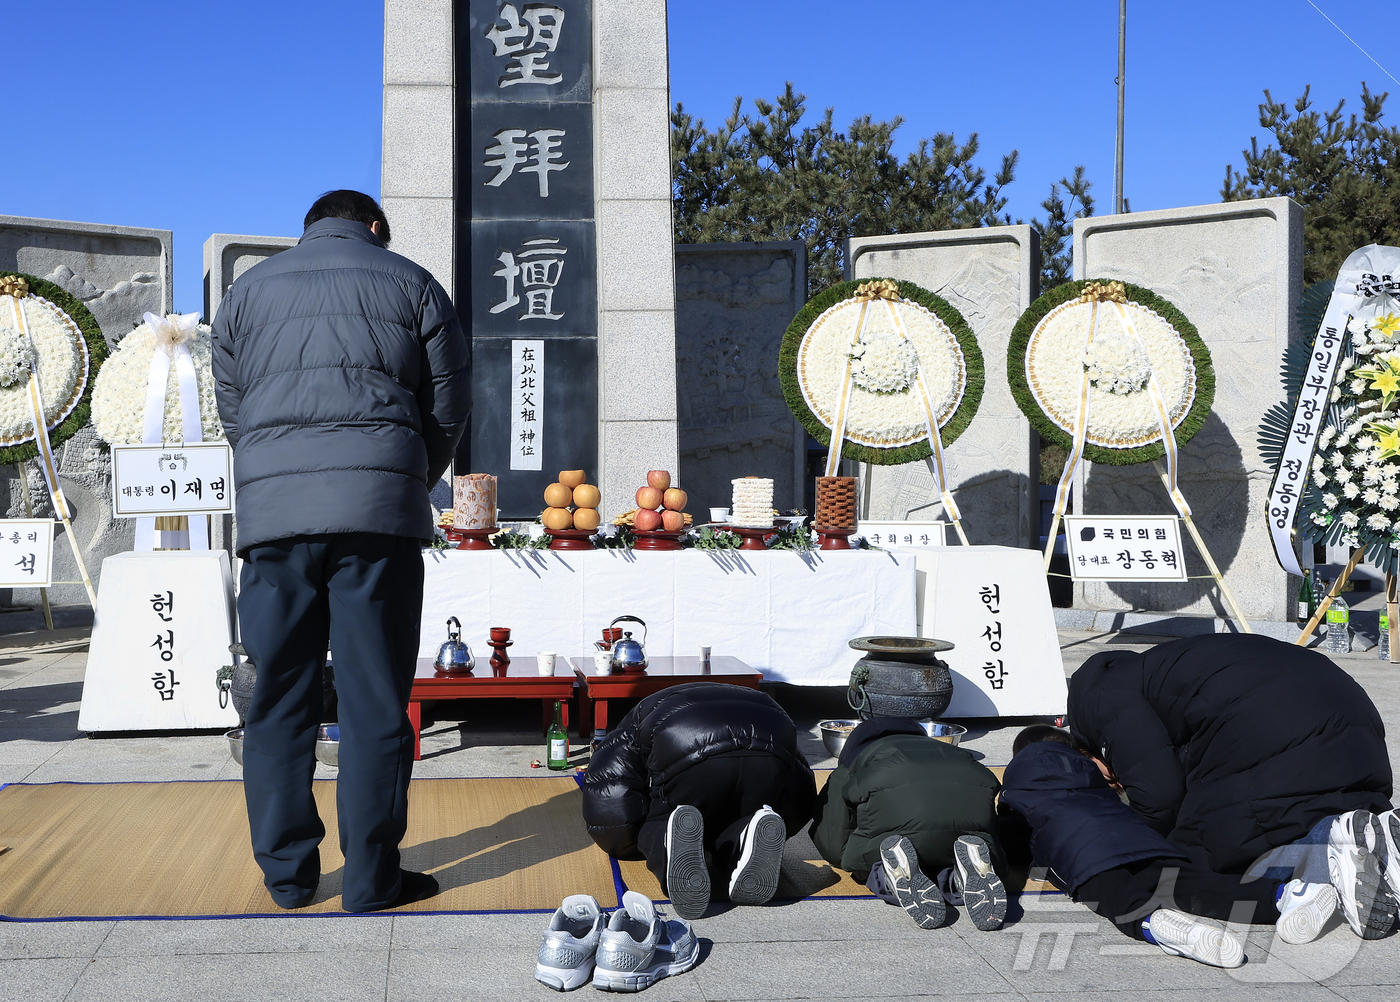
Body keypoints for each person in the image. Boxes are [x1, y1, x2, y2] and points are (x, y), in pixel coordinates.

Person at [212, 190, 471, 912]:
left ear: (310, 230)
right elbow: (448, 406)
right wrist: (405, 479)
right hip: (377, 525)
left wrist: (276, 474)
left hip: (274, 524)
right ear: (374, 228)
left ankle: (289, 880)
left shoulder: (246, 292)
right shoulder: (413, 282)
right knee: (374, 702)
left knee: (275, 701)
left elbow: (235, 408)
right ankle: (371, 881)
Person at [1067, 633, 1398, 938]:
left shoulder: (1098, 700)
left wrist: (1127, 845)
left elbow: (1160, 795)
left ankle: (1326, 856)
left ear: (1082, 751)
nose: (1116, 784)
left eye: (1106, 781)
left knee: (1206, 858)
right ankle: (1368, 836)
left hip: (1266, 721)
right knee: (1289, 812)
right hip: (1353, 719)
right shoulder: (1150, 671)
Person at [1001, 725, 1344, 967]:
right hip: (1138, 840)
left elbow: (1015, 840)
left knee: (1114, 893)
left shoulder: (1017, 788)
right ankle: (1286, 895)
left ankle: (1155, 925)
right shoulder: (1089, 774)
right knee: (1193, 885)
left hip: (1081, 852)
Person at [580, 682, 817, 920]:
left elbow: (611, 800)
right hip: (774, 732)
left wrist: (630, 841)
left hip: (687, 736)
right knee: (741, 807)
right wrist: (786, 820)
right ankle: (745, 833)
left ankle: (667, 841)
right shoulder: (758, 700)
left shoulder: (630, 724)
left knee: (660, 820)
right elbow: (800, 786)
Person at [808, 717, 1008, 930]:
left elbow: (832, 838)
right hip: (965, 832)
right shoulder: (955, 752)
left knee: (868, 863)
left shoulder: (855, 760)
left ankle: (888, 875)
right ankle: (961, 874)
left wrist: (848, 858)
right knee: (945, 850)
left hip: (900, 834)